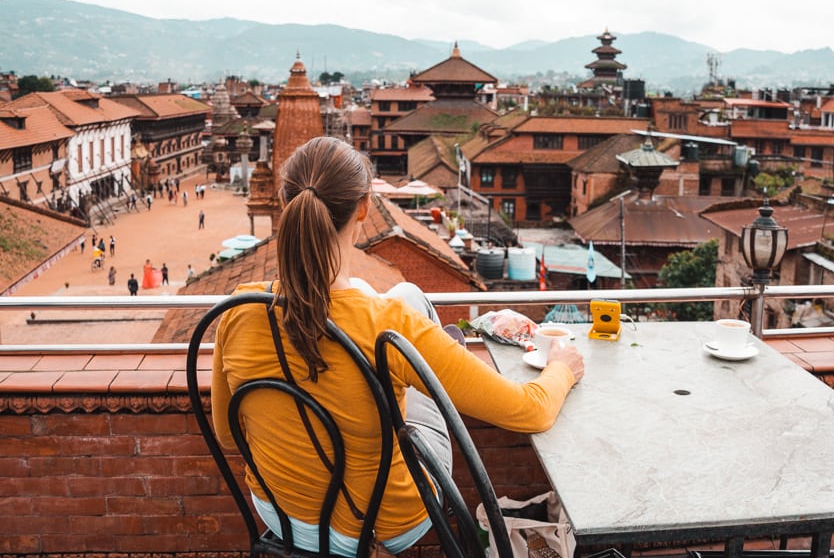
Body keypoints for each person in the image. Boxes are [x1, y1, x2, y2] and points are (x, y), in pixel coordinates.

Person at [212, 137, 584, 557]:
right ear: (363, 208)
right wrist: (562, 368)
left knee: (397, 297)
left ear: (285, 202)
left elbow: (228, 435)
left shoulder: (238, 311)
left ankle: (424, 355)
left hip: (281, 514)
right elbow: (529, 410)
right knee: (407, 306)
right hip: (382, 525)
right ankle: (441, 354)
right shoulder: (389, 326)